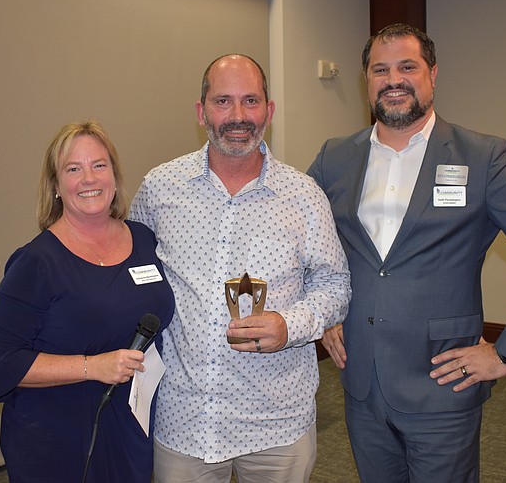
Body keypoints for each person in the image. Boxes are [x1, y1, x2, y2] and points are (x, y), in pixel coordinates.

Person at [308, 23, 506, 483]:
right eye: (380, 69)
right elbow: (301, 244)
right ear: (366, 80)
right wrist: (325, 316)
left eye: (407, 67)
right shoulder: (334, 158)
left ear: (433, 74)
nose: (393, 79)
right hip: (361, 382)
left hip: (442, 382)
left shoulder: (481, 157)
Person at [129, 54, 350, 482]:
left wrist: (291, 324)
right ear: (201, 112)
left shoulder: (304, 196)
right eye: (223, 101)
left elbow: (334, 284)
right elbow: (130, 270)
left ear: (269, 111)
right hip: (184, 419)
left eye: (250, 101)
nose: (237, 116)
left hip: (276, 422)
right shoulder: (160, 188)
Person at [0, 121, 175, 483]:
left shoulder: (143, 240)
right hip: (57, 438)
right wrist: (92, 367)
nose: (89, 179)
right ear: (55, 186)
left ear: (114, 174)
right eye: (73, 169)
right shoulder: (36, 262)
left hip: (129, 426)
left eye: (99, 165)